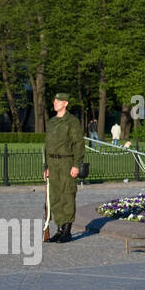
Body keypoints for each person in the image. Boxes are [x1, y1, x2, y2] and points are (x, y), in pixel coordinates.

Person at [43, 92, 85, 243]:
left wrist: (76, 165)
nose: (55, 102)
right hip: (53, 163)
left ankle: (67, 231)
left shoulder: (72, 121)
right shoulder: (52, 122)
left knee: (67, 195)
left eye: (58, 101)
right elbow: (48, 145)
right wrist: (46, 167)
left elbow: (78, 144)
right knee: (54, 197)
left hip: (67, 162)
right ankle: (59, 229)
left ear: (65, 103)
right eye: (54, 100)